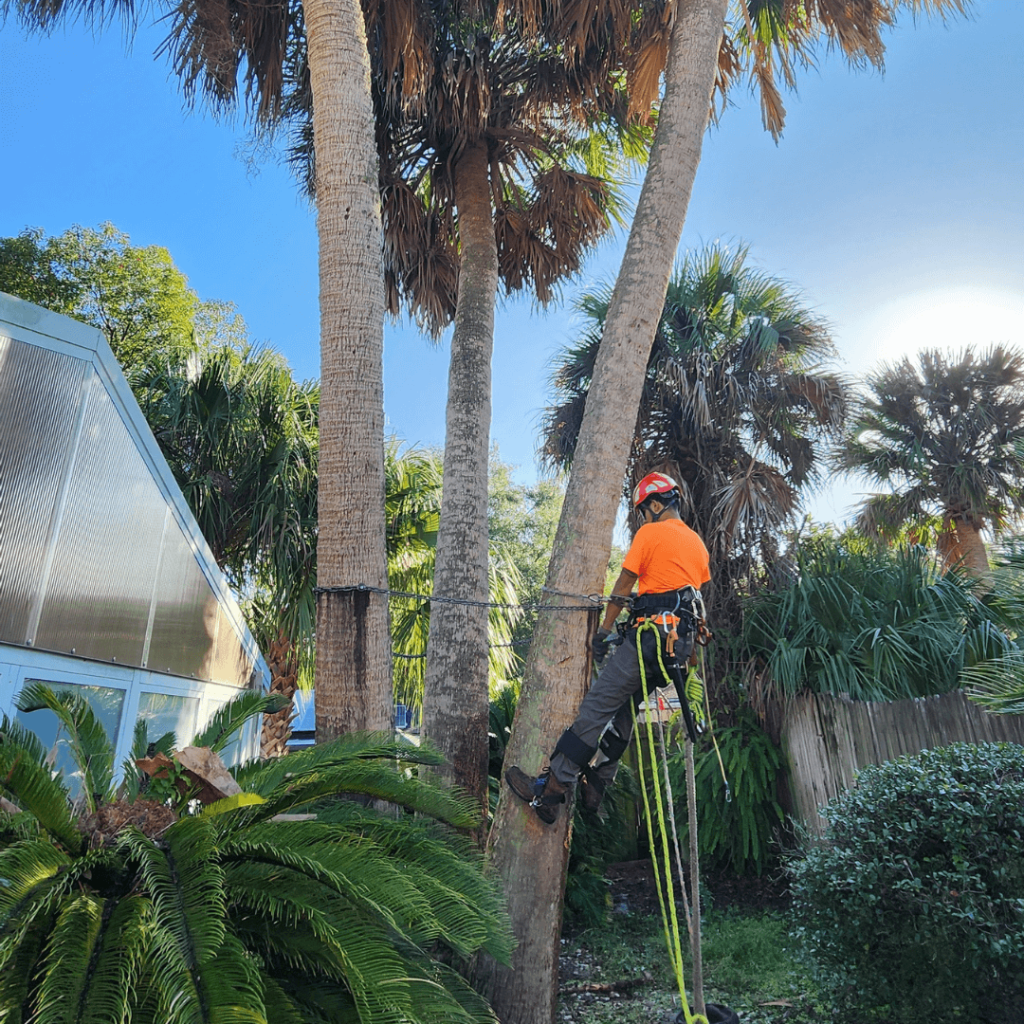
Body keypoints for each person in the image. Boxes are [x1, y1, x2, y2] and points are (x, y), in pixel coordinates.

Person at [505, 471, 711, 824]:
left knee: (597, 708)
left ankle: (552, 790)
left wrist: (603, 629)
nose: (644, 518)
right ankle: (598, 782)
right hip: (677, 650)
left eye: (645, 511)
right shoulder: (696, 543)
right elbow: (681, 590)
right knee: (625, 712)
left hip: (650, 641)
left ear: (656, 505)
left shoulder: (651, 533)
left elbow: (625, 580)